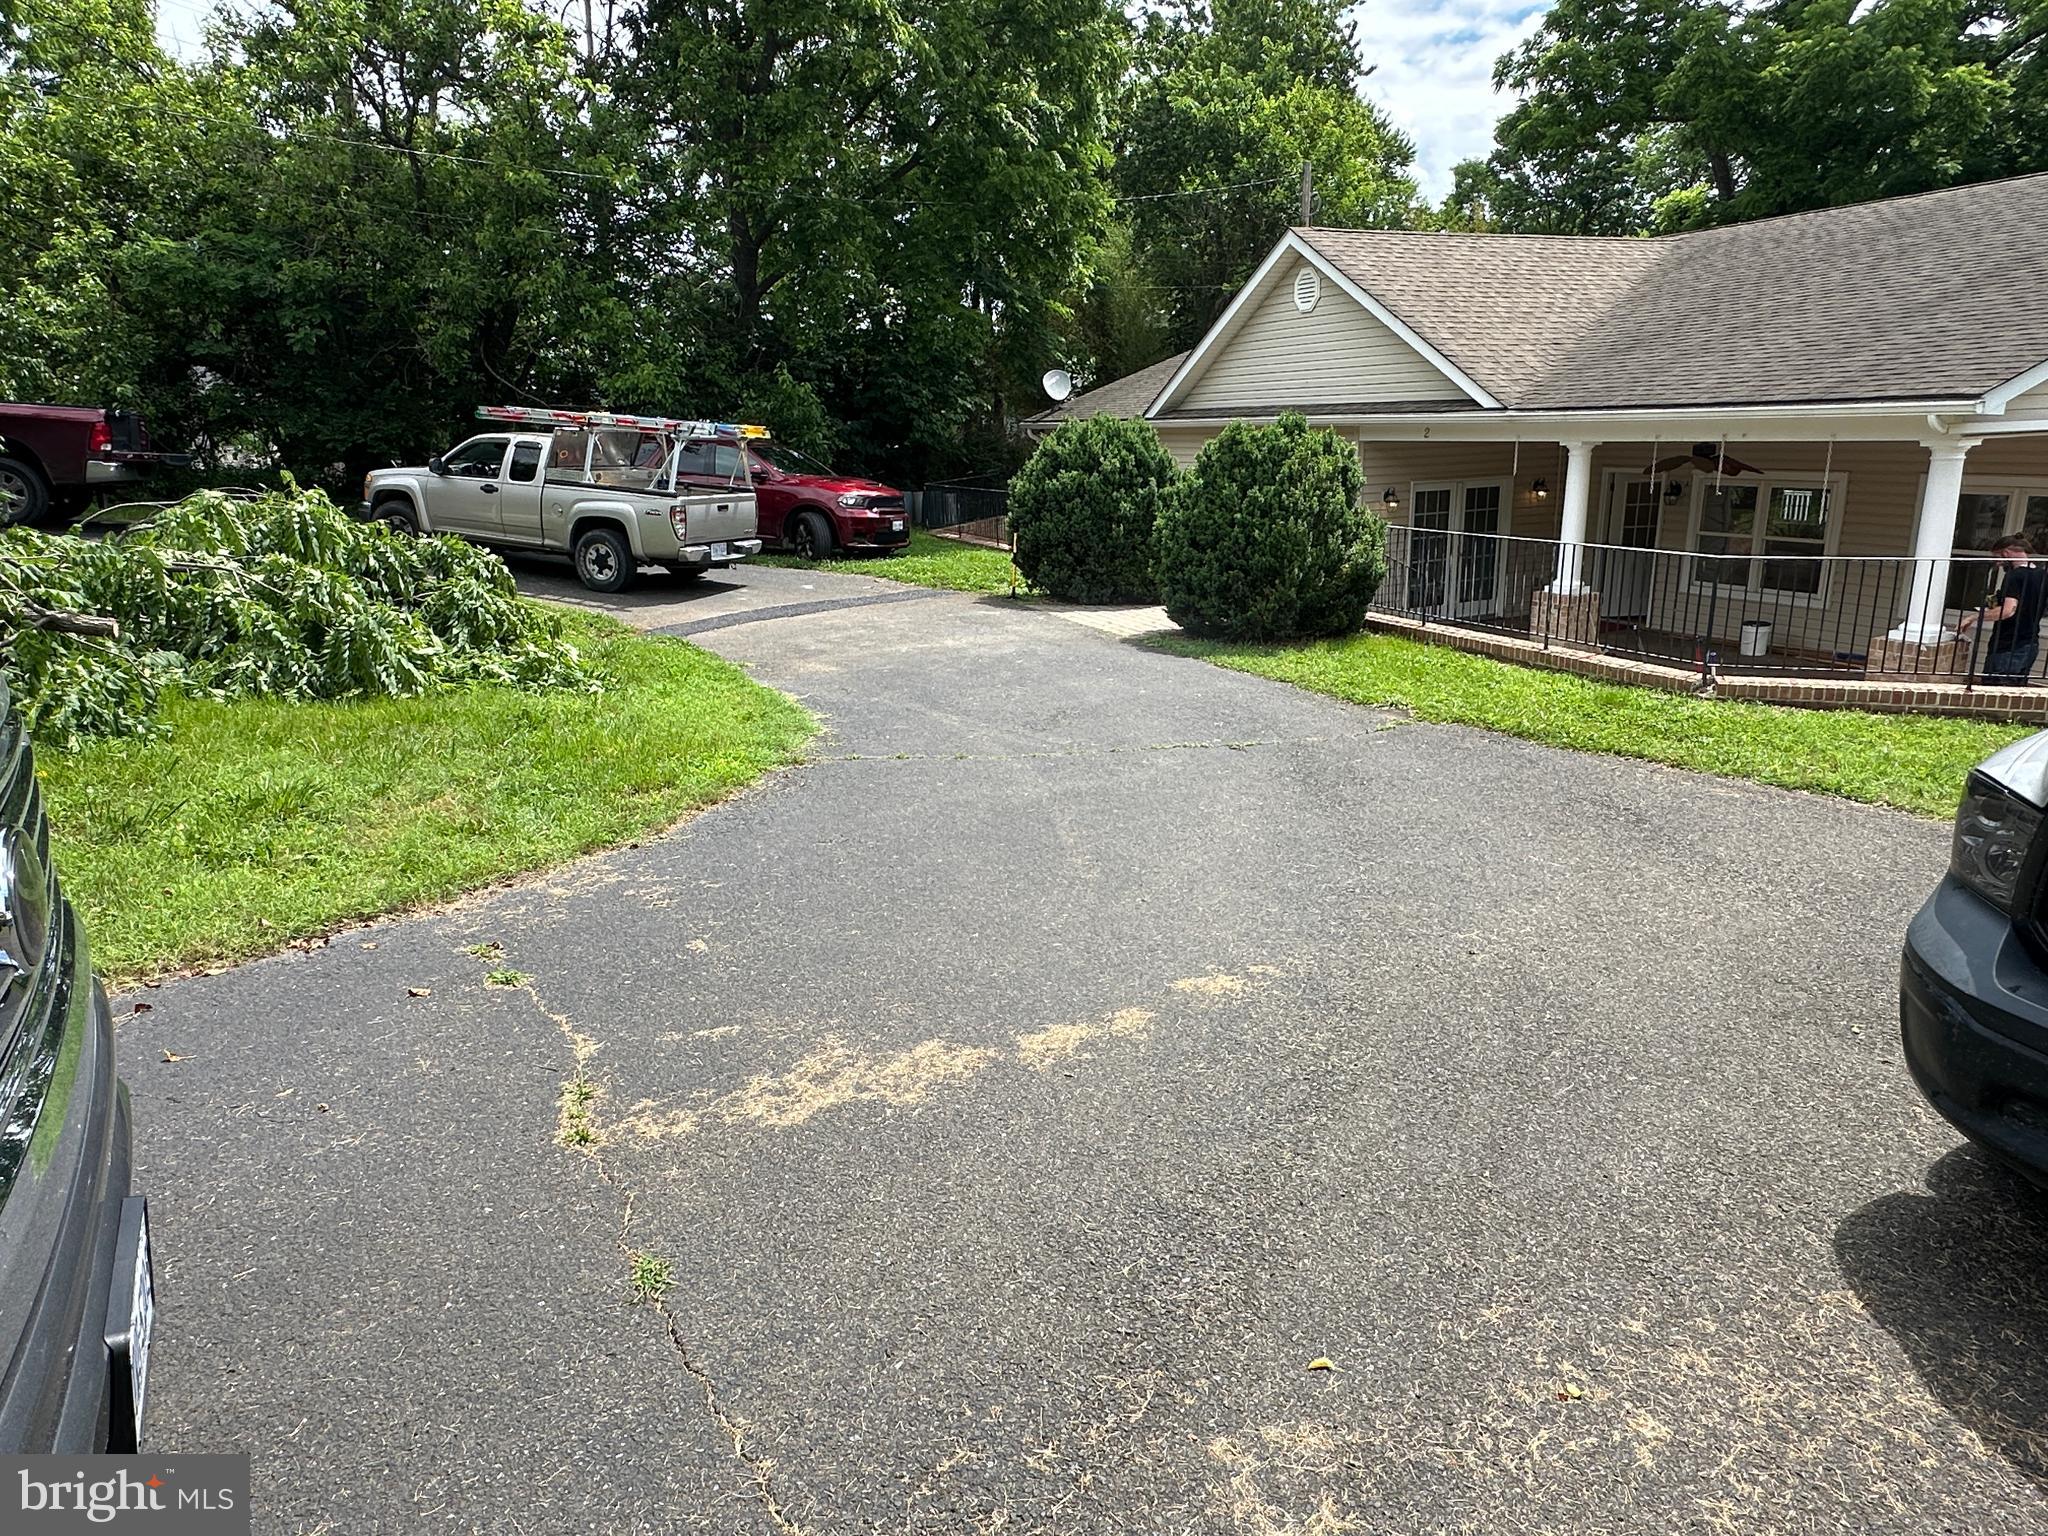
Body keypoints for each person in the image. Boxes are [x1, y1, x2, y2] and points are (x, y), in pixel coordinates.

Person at [1957, 533, 2047, 683]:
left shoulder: (2014, 576)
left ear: (2006, 553)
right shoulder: (2042, 574)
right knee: (2012, 696)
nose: (1997, 563)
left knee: (1992, 692)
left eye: (1997, 558)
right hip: (2030, 644)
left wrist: (1973, 617)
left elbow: (2008, 611)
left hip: (2008, 647)